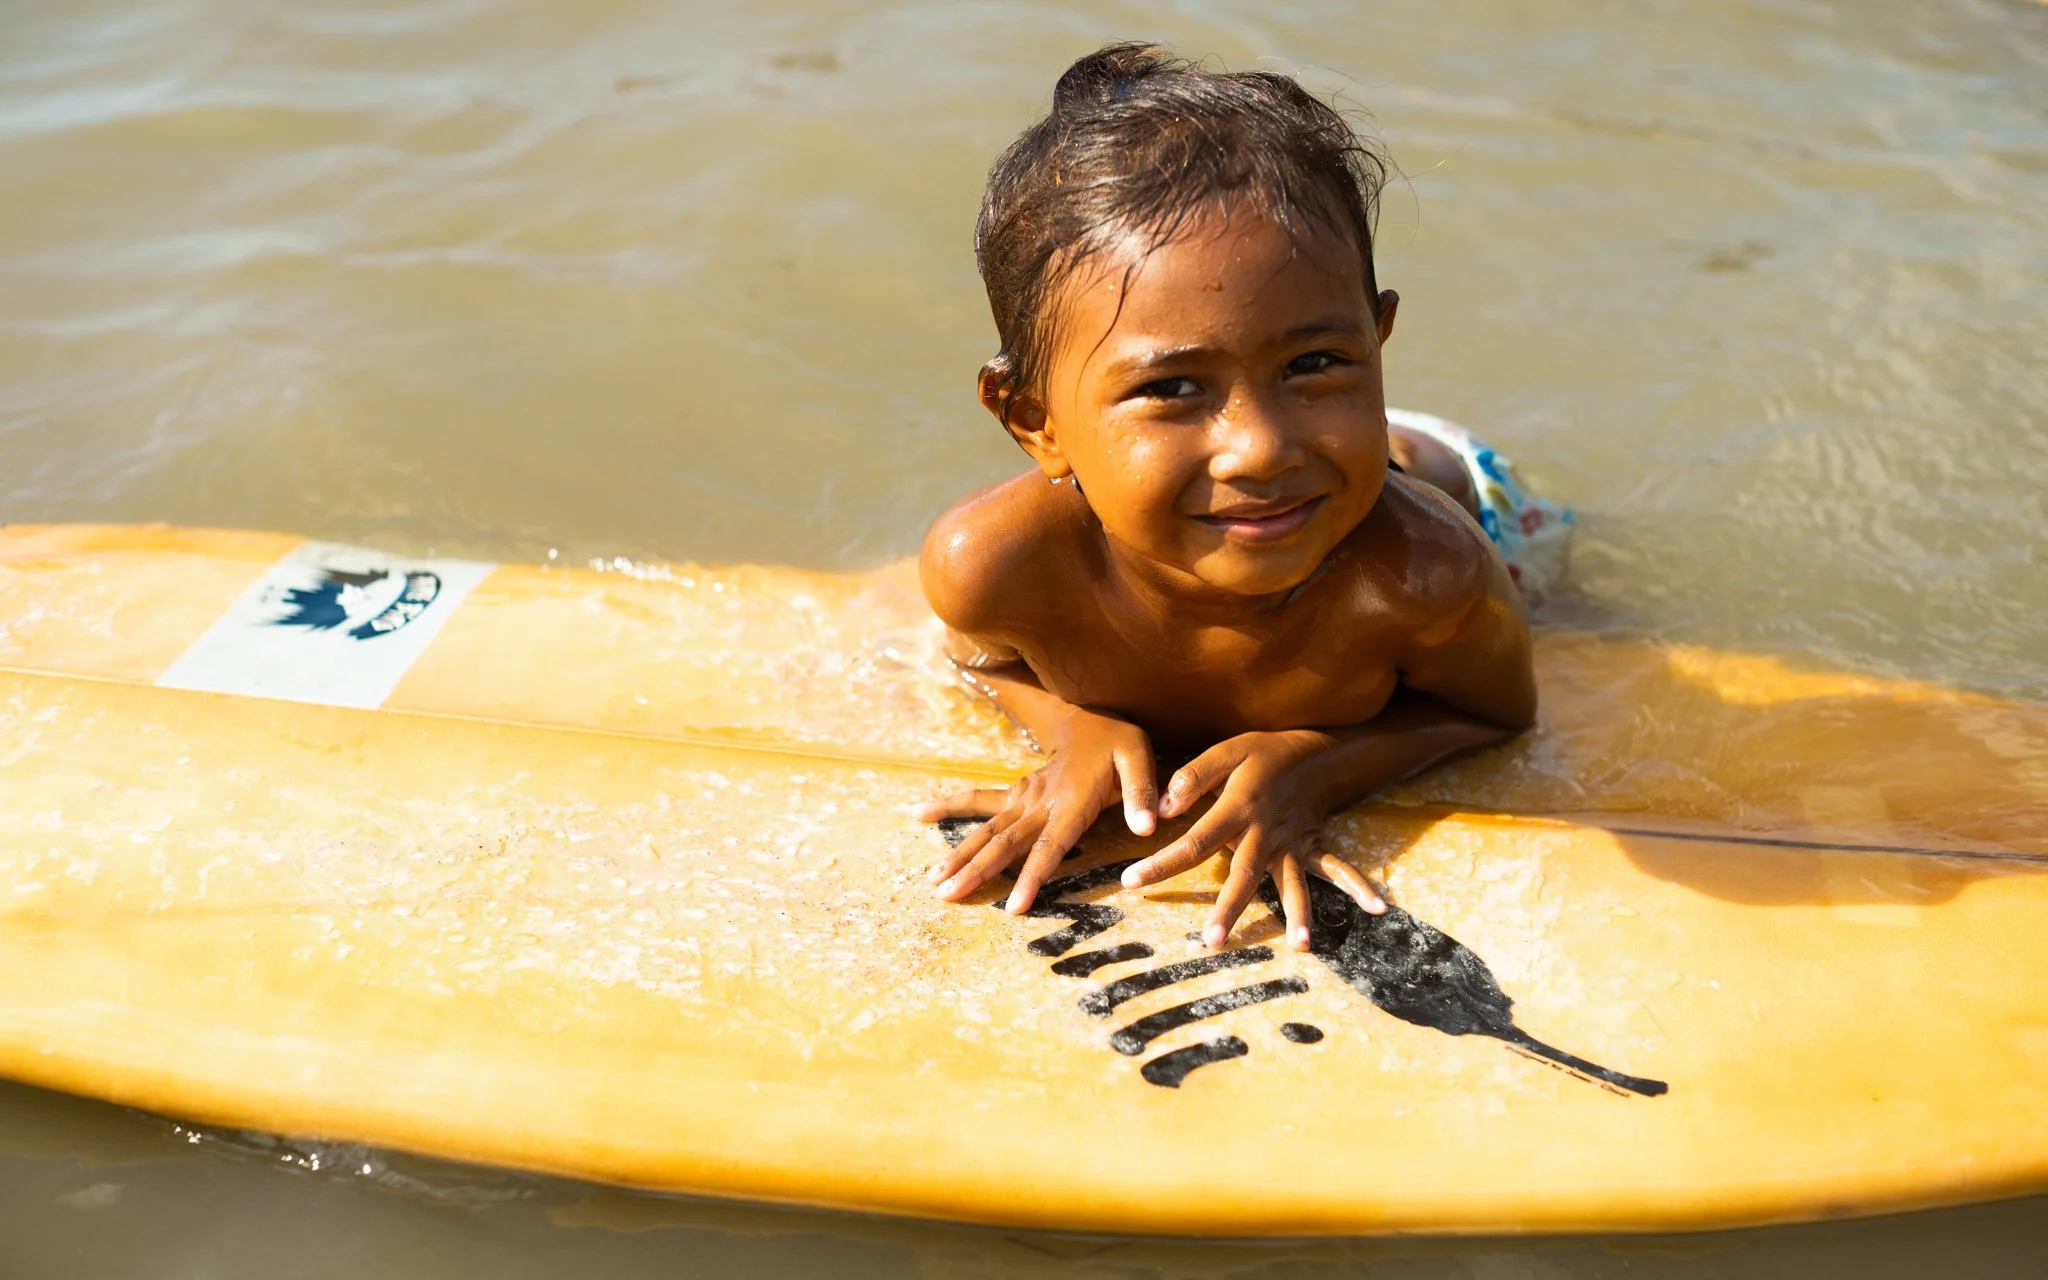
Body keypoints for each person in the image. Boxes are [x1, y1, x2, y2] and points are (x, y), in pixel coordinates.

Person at [917, 43, 1566, 952]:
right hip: (1331, 452)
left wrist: (1319, 764)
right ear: (1035, 421)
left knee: (1570, 608)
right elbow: (981, 660)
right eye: (1172, 389)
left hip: (1454, 485)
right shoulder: (991, 566)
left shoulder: (1424, 572)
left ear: (1378, 341)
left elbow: (1496, 711)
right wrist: (1072, 727)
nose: (1257, 448)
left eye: (1319, 358)